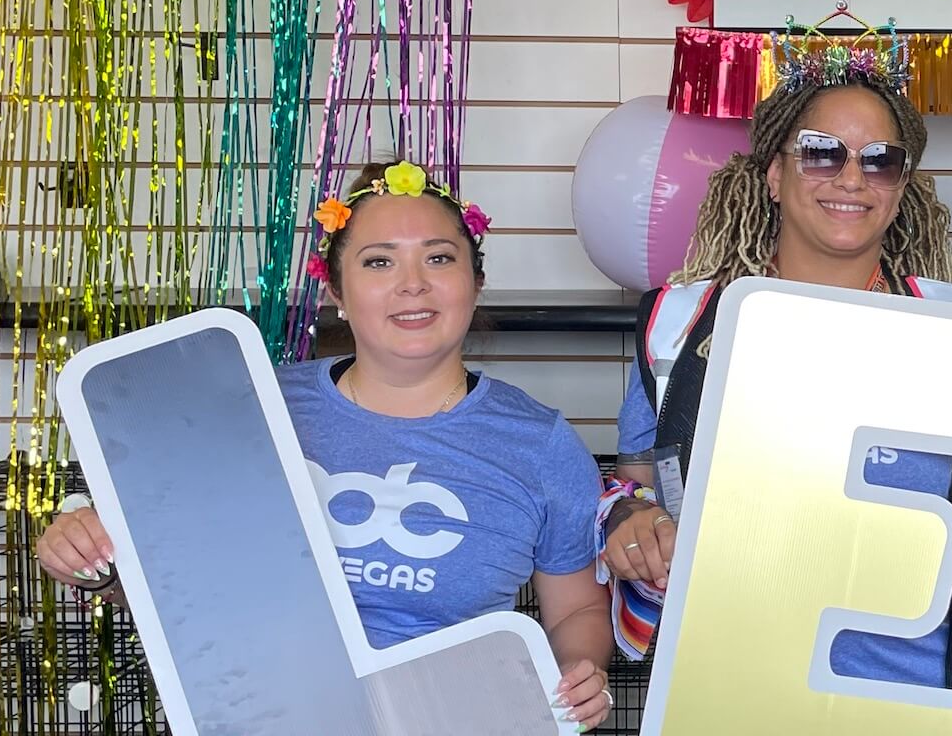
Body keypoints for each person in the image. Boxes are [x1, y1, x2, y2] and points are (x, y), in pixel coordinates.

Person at [36, 161, 617, 729]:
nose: (412, 282)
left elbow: (577, 610)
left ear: (476, 283)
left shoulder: (540, 444)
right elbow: (173, 589)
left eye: (439, 257)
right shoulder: (247, 406)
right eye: (379, 261)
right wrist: (93, 559)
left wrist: (579, 669)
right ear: (335, 289)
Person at [598, 64, 952, 726]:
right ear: (774, 174)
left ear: (901, 186)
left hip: (921, 696)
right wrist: (637, 522)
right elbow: (640, 486)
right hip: (735, 692)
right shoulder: (683, 327)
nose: (852, 178)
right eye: (822, 153)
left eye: (880, 161)